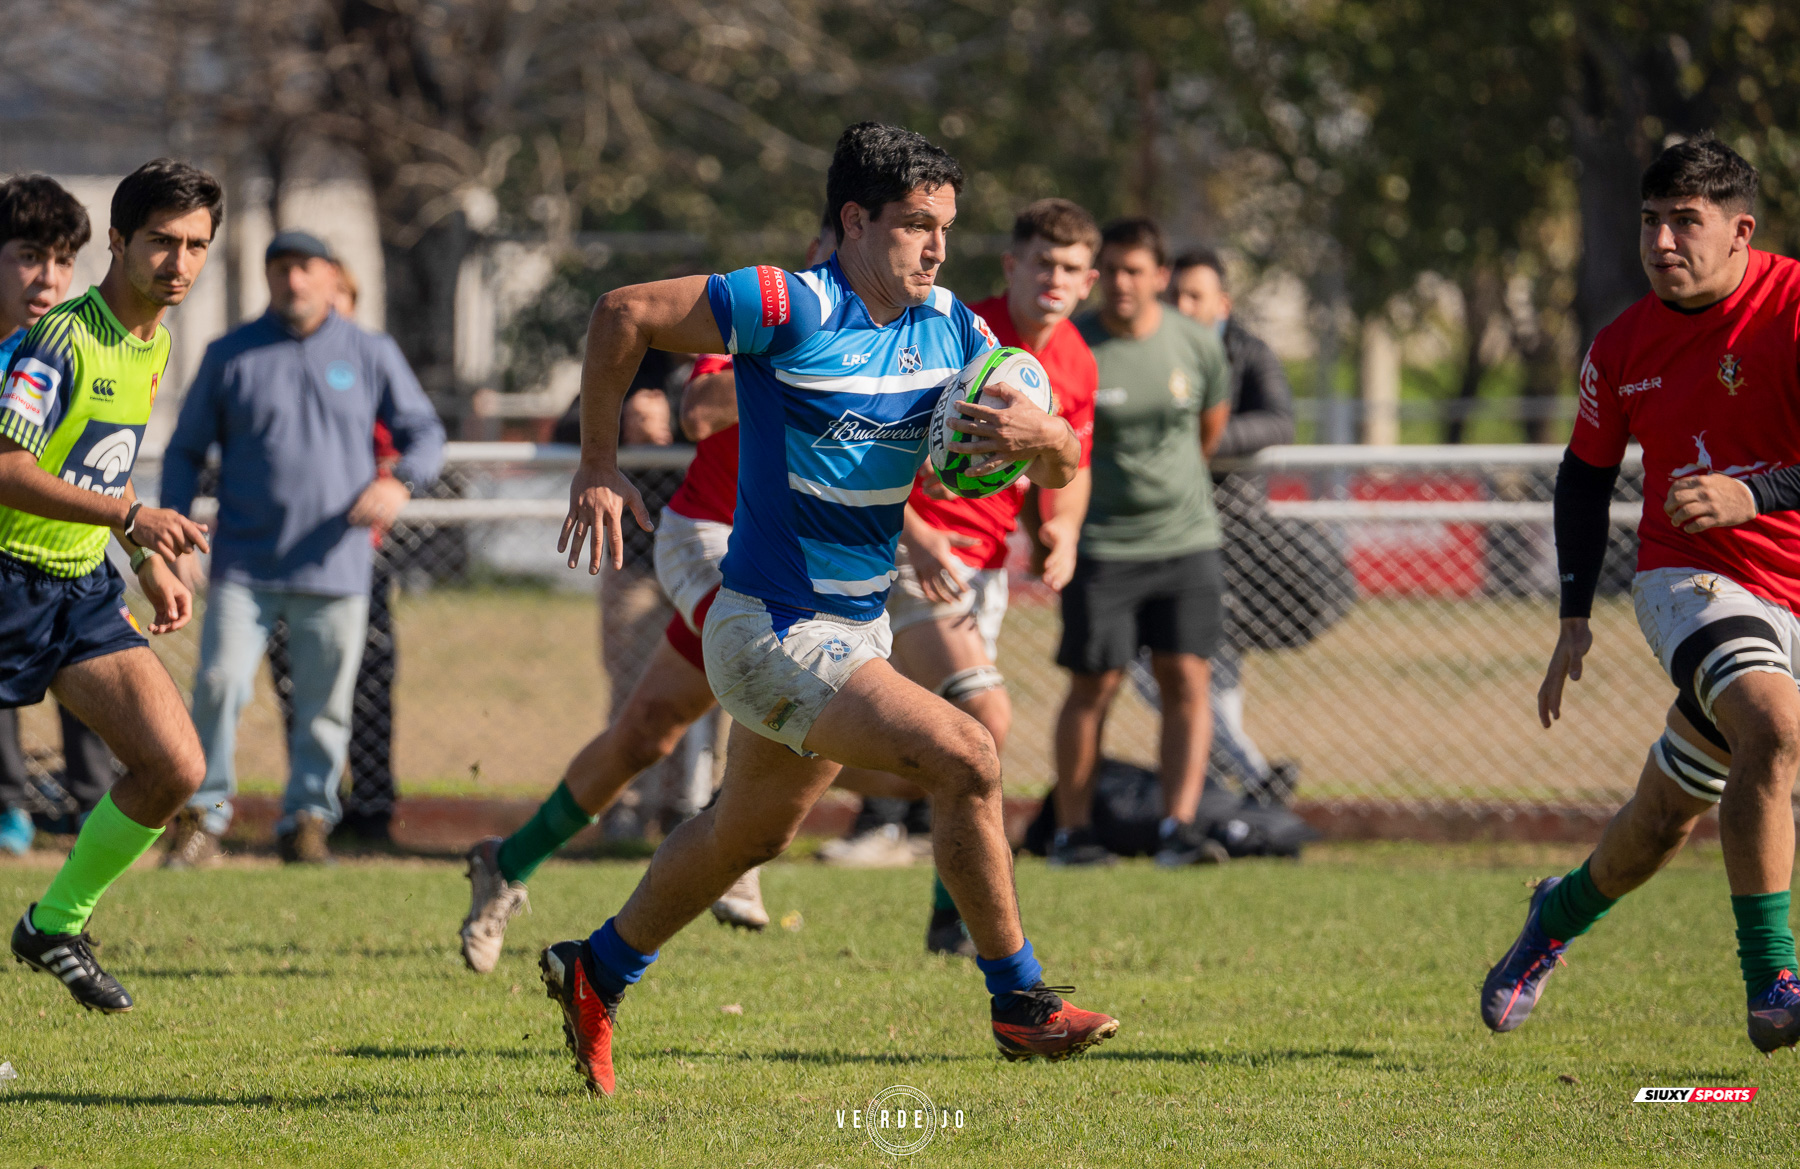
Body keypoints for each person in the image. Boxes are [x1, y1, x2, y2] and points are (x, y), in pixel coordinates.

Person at [540, 121, 1117, 1096]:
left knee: (749, 835)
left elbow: (1059, 459)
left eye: (947, 227)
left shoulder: (961, 335)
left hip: (855, 629)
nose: (937, 247)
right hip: (767, 626)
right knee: (968, 749)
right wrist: (597, 465)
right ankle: (1019, 1000)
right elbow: (621, 311)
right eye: (914, 225)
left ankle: (598, 967)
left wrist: (1043, 430)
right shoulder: (787, 302)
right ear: (854, 220)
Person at [457, 220, 850, 973]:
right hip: (705, 537)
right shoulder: (776, 310)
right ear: (821, 252)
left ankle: (506, 860)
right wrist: (821, 359)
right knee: (771, 662)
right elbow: (700, 406)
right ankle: (742, 846)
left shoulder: (909, 338)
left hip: (793, 565)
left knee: (645, 734)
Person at [1483, 136, 1800, 1054]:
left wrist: (1755, 491)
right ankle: (1775, 978)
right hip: (1692, 580)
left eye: (1685, 222)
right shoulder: (1622, 344)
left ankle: (1556, 913)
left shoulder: (1792, 307)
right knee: (1773, 726)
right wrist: (1573, 611)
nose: (1663, 240)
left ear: (1741, 231)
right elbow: (1584, 479)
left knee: (1663, 819)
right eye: (1651, 221)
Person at [831, 197, 1100, 956]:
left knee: (932, 744)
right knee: (985, 717)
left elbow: (1068, 459)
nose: (1054, 278)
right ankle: (961, 922)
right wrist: (915, 533)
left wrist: (1062, 529)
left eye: (1071, 268)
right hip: (914, 553)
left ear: (1090, 282)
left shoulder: (1076, 359)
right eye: (1041, 262)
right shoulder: (952, 328)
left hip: (985, 571)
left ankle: (791, 751)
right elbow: (873, 443)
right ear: (1012, 266)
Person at [3, 159, 218, 1013]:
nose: (180, 263)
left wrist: (143, 558)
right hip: (6, 580)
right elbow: (9, 465)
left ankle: (55, 922)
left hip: (76, 587)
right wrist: (134, 523)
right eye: (162, 242)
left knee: (174, 765)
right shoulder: (57, 341)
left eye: (197, 245)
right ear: (121, 242)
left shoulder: (153, 341)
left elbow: (101, 466)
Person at [160, 230, 445, 866]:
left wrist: (397, 482)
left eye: (306, 268)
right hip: (244, 563)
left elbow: (425, 432)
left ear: (330, 275)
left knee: (325, 707)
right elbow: (183, 451)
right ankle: (203, 818)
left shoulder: (369, 352)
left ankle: (307, 821)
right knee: (218, 683)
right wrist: (175, 534)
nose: (293, 281)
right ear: (268, 277)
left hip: (337, 565)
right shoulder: (230, 354)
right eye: (281, 268)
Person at [1049, 219, 1232, 867]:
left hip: (1187, 542)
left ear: (1160, 276)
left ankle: (1176, 830)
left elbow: (1207, 431)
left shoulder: (1196, 343)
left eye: (1136, 271)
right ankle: (1072, 832)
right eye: (1113, 271)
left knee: (1188, 680)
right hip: (1101, 545)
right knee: (1092, 687)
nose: (1122, 283)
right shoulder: (1072, 343)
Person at [260, 260, 409, 852]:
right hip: (283, 557)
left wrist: (387, 479)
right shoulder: (276, 363)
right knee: (298, 685)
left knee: (369, 681)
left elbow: (404, 442)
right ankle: (310, 813)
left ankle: (371, 809)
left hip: (357, 558)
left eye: (342, 296)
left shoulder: (370, 367)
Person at [0, 175, 121, 854]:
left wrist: (142, 550)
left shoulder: (69, 348)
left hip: (72, 569)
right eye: (28, 255)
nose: (49, 278)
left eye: (64, 261)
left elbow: (103, 465)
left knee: (103, 690)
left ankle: (94, 807)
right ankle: (8, 808)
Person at [1166, 248, 1298, 803]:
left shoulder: (1248, 350)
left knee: (1216, 670)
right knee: (1162, 670)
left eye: (1196, 295)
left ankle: (1234, 787)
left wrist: (1203, 444)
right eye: (1175, 295)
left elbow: (1278, 421)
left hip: (1231, 535)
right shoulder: (1150, 346)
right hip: (1160, 531)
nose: (1184, 306)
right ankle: (1250, 779)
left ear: (1223, 303)